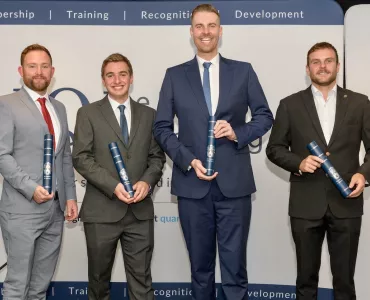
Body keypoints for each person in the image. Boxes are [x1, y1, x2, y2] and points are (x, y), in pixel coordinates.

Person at [153, 4, 273, 299]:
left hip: (234, 185)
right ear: (191, 32)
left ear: (220, 30)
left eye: (211, 26)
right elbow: (161, 128)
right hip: (192, 186)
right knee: (200, 269)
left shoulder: (243, 71)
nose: (205, 32)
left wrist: (237, 132)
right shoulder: (174, 75)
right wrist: (187, 160)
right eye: (199, 26)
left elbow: (264, 116)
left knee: (235, 269)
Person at [266, 42, 370, 300]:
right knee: (305, 281)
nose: (322, 66)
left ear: (337, 65)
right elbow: (274, 148)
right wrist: (298, 163)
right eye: (316, 62)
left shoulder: (360, 103)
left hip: (346, 202)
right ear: (307, 68)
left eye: (328, 61)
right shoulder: (290, 104)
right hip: (305, 204)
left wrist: (363, 173)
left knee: (344, 281)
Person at [72, 53, 165, 300]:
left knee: (142, 284)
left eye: (122, 74)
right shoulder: (88, 113)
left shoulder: (149, 114)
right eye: (110, 75)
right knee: (99, 284)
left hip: (139, 212)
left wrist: (147, 181)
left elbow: (157, 157)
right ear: (103, 81)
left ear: (131, 78)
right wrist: (113, 186)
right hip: (101, 212)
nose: (117, 80)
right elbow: (81, 157)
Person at [0, 43, 78, 299]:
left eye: (44, 66)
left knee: (39, 288)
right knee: (16, 286)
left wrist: (70, 197)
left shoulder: (59, 108)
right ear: (21, 70)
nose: (39, 72)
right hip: (22, 210)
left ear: (52, 71)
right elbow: (2, 155)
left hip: (54, 212)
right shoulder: (6, 104)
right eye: (32, 66)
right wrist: (30, 188)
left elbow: (64, 155)